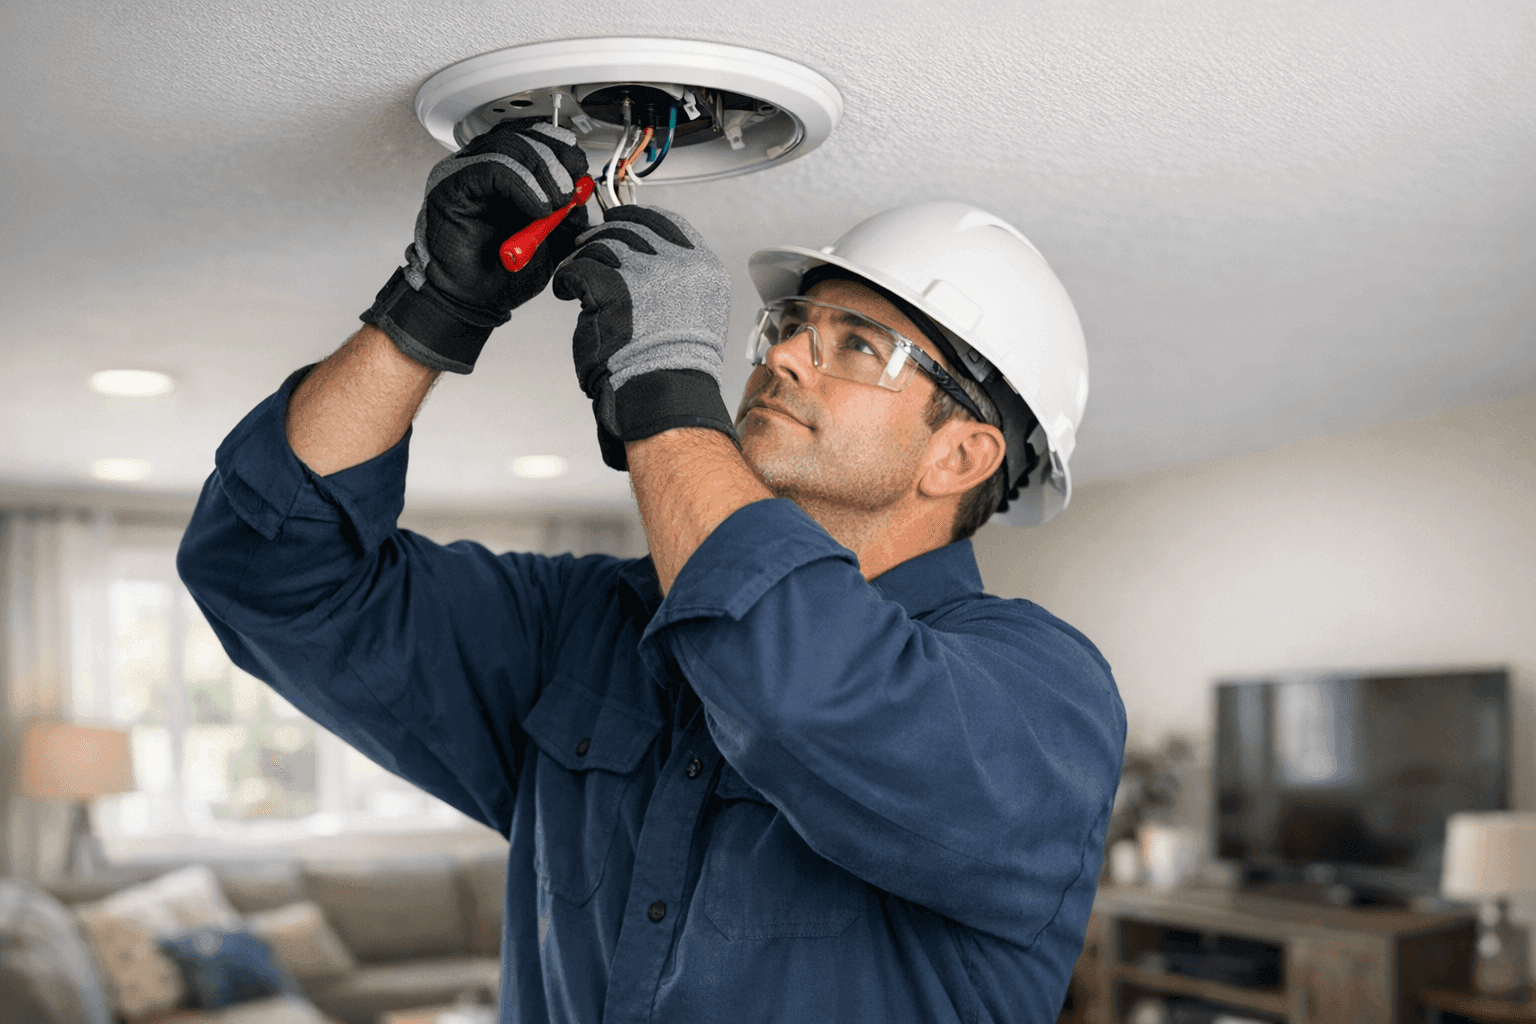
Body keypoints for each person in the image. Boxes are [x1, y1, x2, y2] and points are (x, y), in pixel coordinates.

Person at [179, 119, 1125, 1023]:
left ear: (959, 457)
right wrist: (430, 311)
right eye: (792, 325)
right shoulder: (587, 628)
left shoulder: (1043, 700)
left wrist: (666, 389)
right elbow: (268, 572)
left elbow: (804, 688)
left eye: (857, 347)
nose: (783, 354)